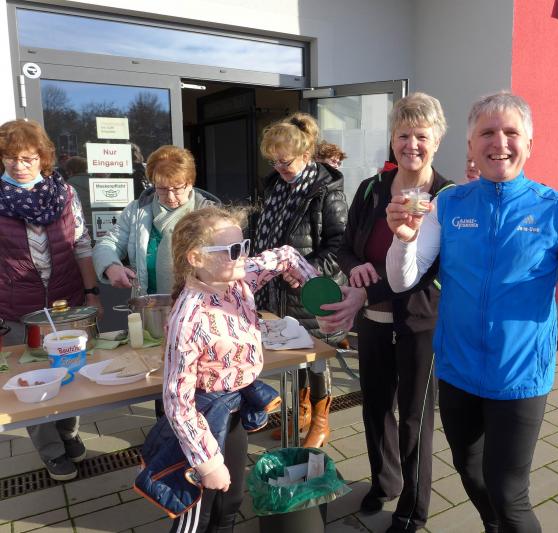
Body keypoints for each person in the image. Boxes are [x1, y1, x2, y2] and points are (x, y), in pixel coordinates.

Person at [383, 92, 558, 533]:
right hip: (457, 371)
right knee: (468, 468)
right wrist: (403, 238)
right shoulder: (448, 205)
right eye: (487, 133)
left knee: (509, 493)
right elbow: (404, 280)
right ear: (471, 145)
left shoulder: (557, 209)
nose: (500, 142)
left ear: (528, 144)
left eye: (511, 132)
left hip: (519, 375)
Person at [318, 92, 455, 532]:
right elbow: (344, 245)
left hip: (419, 323)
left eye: (421, 136)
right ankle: (385, 481)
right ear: (392, 140)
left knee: (414, 419)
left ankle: (413, 509)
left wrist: (366, 292)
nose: (411, 144)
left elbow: (432, 271)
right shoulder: (372, 188)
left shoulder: (448, 197)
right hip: (372, 321)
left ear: (437, 140)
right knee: (375, 408)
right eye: (403, 135)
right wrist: (354, 268)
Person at [163, 206, 316, 533]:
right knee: (199, 509)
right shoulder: (189, 318)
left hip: (234, 407)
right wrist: (207, 462)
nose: (243, 256)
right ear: (196, 258)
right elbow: (177, 400)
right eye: (233, 250)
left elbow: (285, 255)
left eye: (244, 246)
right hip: (204, 416)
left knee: (231, 500)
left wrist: (311, 283)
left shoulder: (237, 276)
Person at [0, 119, 102, 481]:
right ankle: (51, 450)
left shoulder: (65, 194)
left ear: (42, 157)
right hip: (16, 309)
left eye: (27, 157)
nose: (19, 165)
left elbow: (81, 244)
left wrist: (92, 293)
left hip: (66, 303)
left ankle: (69, 431)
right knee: (32, 379)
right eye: (10, 157)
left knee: (69, 372)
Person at [253, 113, 348, 447]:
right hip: (279, 293)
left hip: (311, 292)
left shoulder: (326, 191)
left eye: (285, 161)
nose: (279, 168)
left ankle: (321, 423)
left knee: (316, 358)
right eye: (273, 161)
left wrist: (304, 270)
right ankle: (302, 412)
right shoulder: (276, 187)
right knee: (293, 359)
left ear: (306, 155)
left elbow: (341, 246)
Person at [93, 145, 220, 296]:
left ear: (190, 183)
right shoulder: (136, 211)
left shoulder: (210, 215)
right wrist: (110, 266)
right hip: (149, 304)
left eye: (177, 188)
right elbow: (108, 243)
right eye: (162, 188)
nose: (170, 197)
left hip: (198, 305)